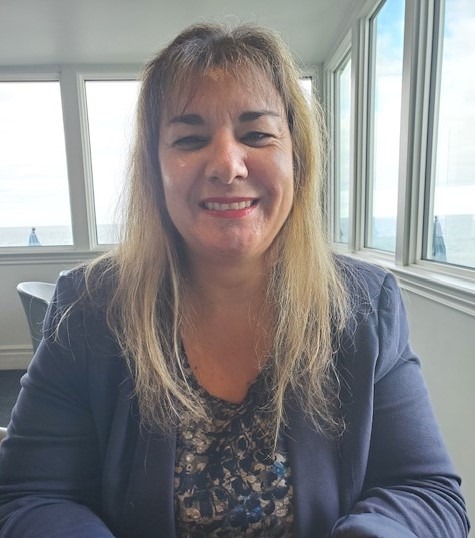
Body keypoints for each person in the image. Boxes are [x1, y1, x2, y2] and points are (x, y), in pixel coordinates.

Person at [0, 23, 470, 538]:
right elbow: (29, 495)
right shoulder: (89, 305)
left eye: (257, 135)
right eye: (190, 139)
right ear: (154, 170)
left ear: (297, 157)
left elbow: (426, 492)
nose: (227, 165)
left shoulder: (364, 303)